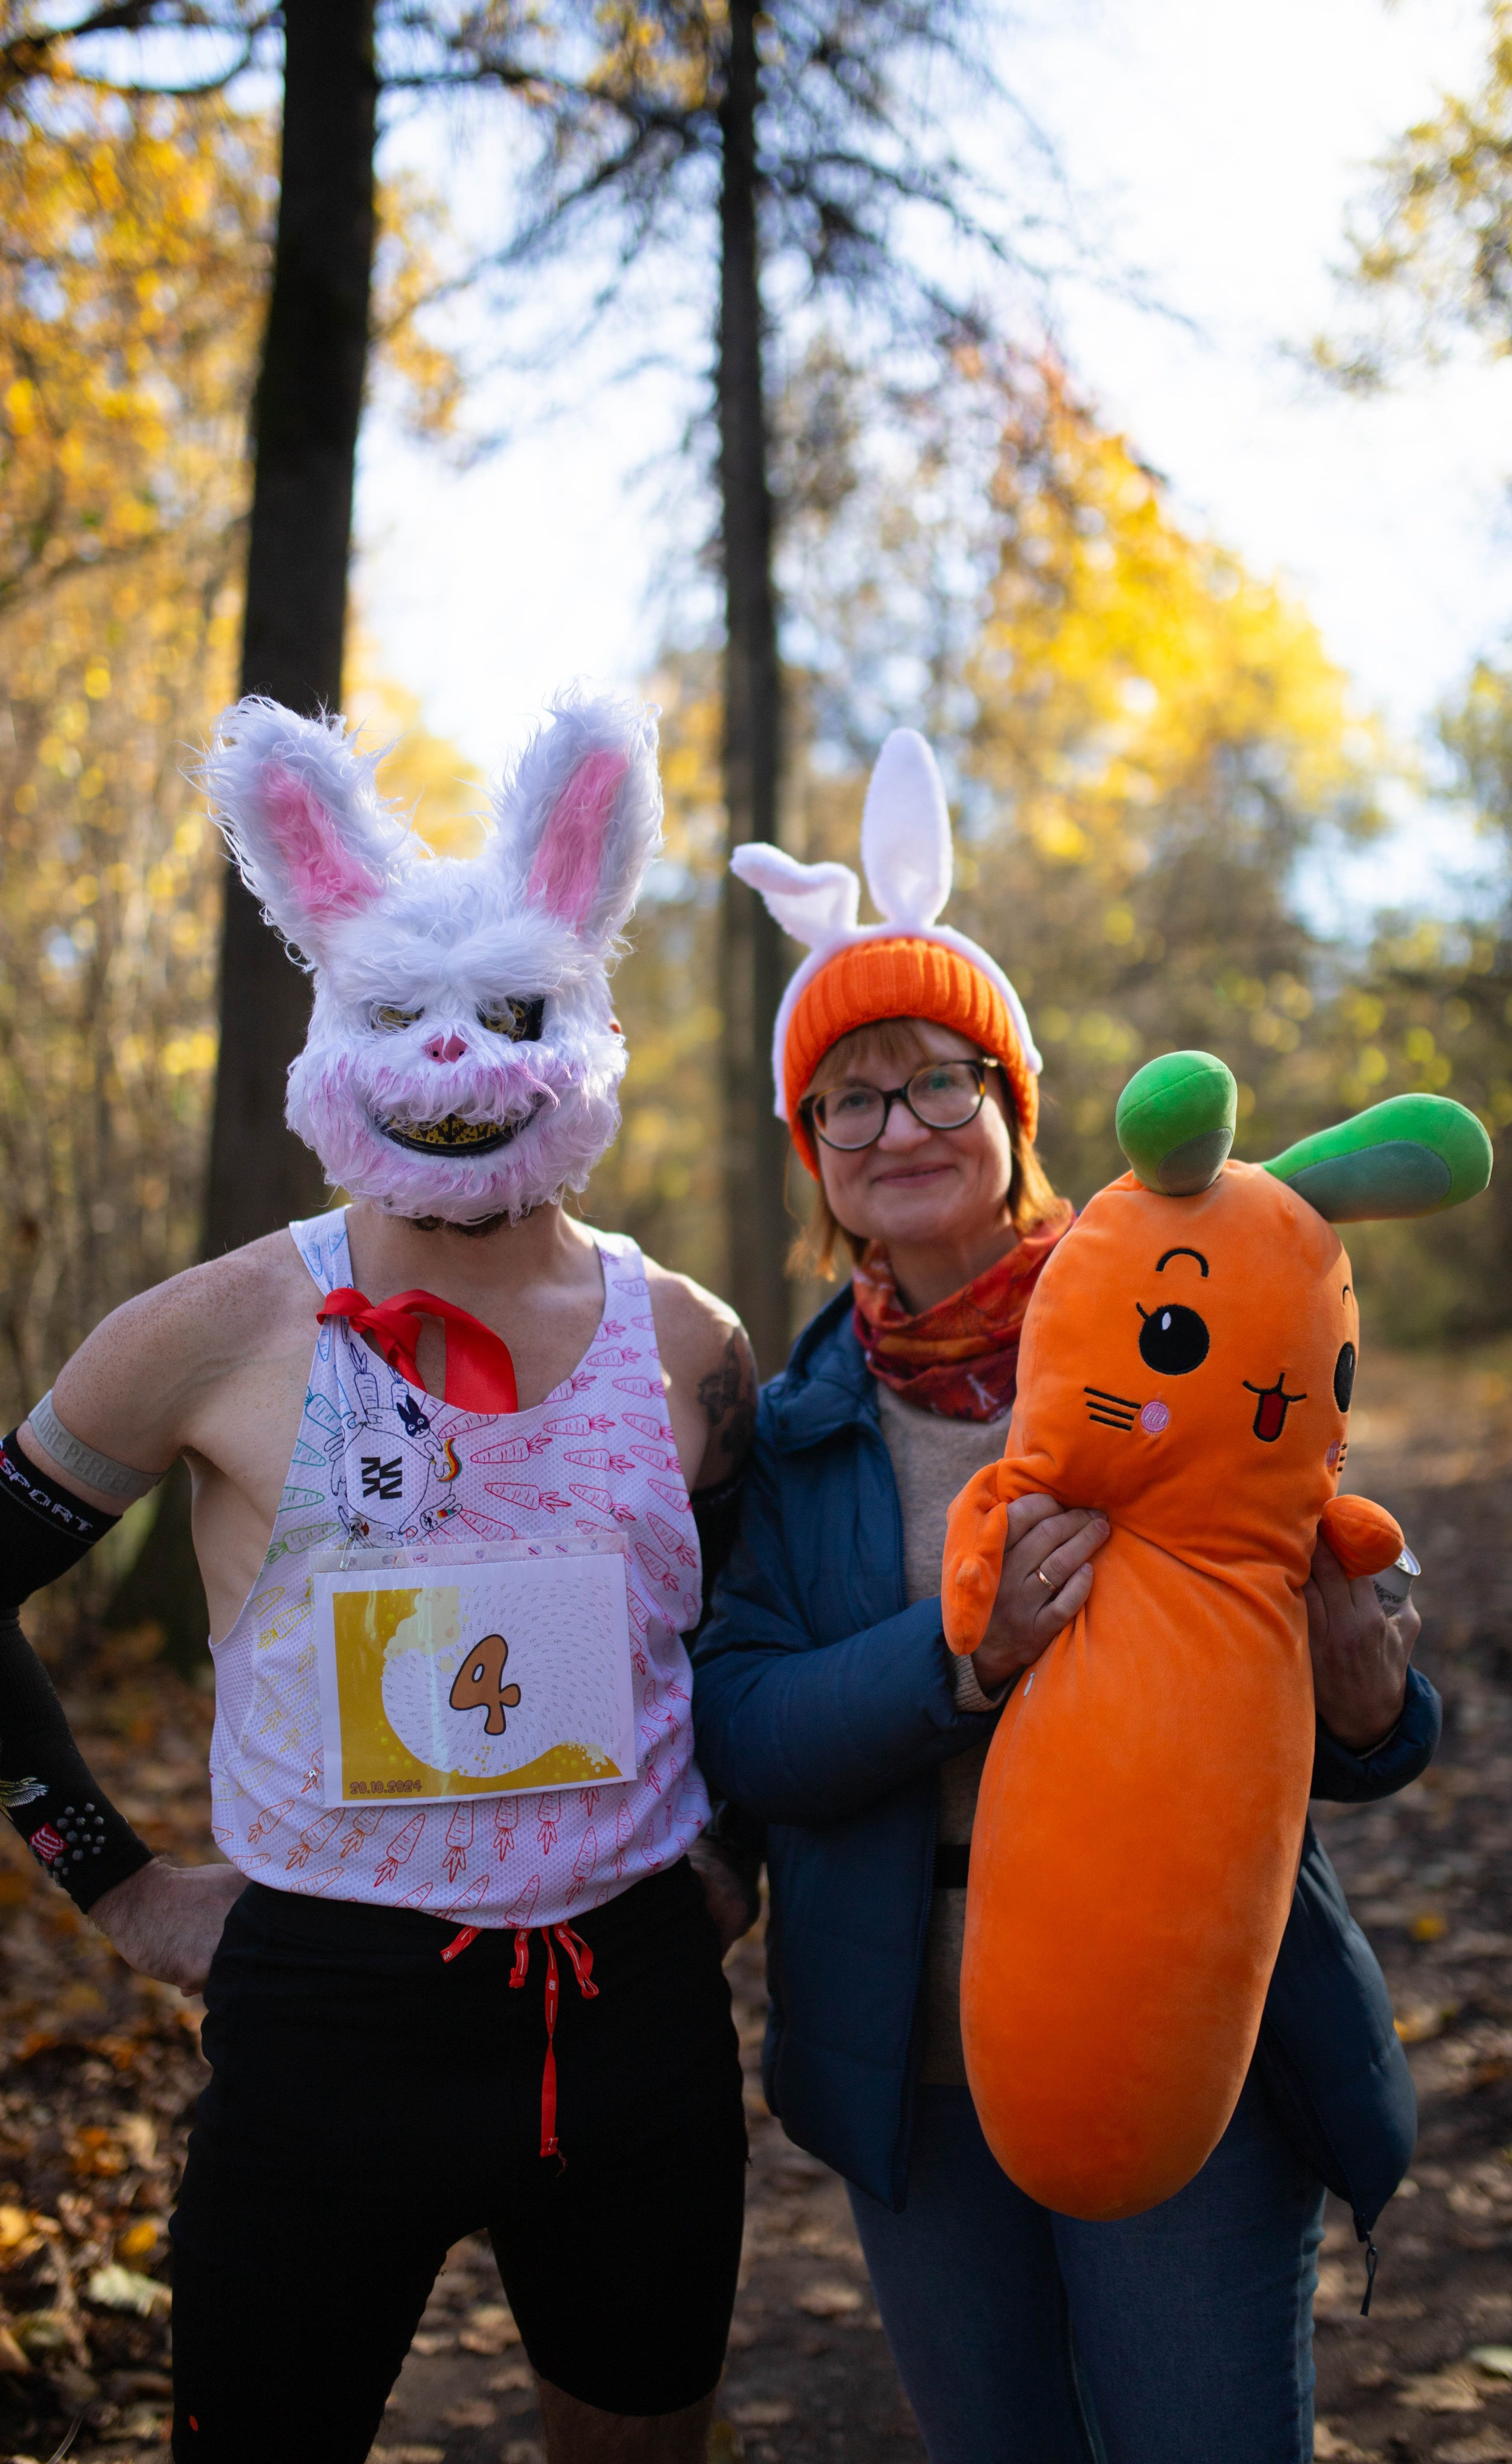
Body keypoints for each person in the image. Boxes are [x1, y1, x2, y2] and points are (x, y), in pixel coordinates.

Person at [0, 688, 758, 2464]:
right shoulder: (212, 1330)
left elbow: (759, 1642)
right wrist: (109, 1884)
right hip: (329, 2021)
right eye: (404, 1018)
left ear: (581, 1011)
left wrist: (743, 1860)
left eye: (509, 1015)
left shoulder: (691, 1343)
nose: (460, 1060)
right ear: (337, 1027)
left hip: (630, 2024)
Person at [690, 730, 1440, 2464]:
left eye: (942, 1078)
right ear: (812, 1150)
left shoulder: (1187, 1328)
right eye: (850, 1096)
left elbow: (1366, 1725)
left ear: (1013, 1107)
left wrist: (1374, 1697)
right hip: (916, 2052)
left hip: (1189, 2022)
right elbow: (747, 1728)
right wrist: (964, 1653)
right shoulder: (790, 1420)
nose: (899, 1126)